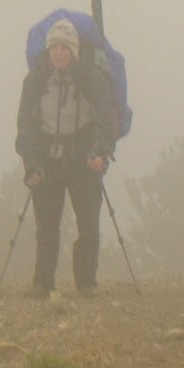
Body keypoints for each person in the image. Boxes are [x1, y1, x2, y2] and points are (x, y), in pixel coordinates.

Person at [15, 18, 118, 298]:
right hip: (46, 159)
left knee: (88, 226)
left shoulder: (91, 79)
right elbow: (25, 124)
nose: (59, 52)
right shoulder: (35, 81)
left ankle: (86, 285)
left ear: (74, 50)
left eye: (64, 47)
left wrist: (100, 152)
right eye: (54, 47)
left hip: (84, 158)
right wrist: (31, 163)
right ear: (48, 50)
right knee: (47, 228)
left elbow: (106, 119)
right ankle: (42, 284)